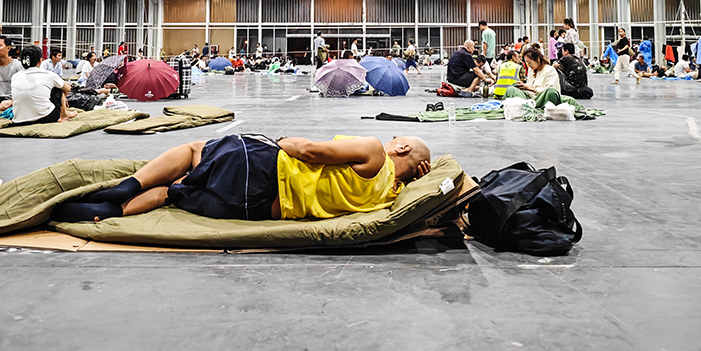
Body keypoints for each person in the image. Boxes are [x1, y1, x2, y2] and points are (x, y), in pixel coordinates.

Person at [51, 133, 432, 223]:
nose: (392, 140)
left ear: (399, 150)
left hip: (263, 170)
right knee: (171, 192)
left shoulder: (373, 151)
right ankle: (111, 215)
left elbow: (310, 152)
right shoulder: (388, 196)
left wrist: (285, 140)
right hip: (260, 209)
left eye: (398, 139)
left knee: (193, 151)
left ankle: (124, 188)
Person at [9, 46, 77, 126]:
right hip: (46, 117)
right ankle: (64, 114)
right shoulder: (48, 74)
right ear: (40, 60)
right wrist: (64, 97)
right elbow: (67, 88)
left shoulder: (15, 76)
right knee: (58, 88)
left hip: (19, 120)